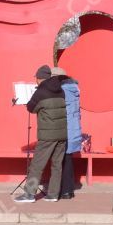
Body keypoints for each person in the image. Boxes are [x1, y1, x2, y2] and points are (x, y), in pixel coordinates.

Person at [13, 65, 68, 203]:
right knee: (57, 165)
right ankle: (53, 194)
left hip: (47, 135)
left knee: (37, 164)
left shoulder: (41, 92)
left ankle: (29, 194)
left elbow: (31, 107)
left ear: (39, 78)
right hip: (62, 134)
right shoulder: (61, 90)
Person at [51, 66, 81, 200]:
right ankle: (68, 190)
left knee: (60, 160)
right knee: (67, 159)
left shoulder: (62, 90)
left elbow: (59, 110)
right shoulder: (73, 88)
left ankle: (62, 190)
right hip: (73, 129)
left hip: (63, 128)